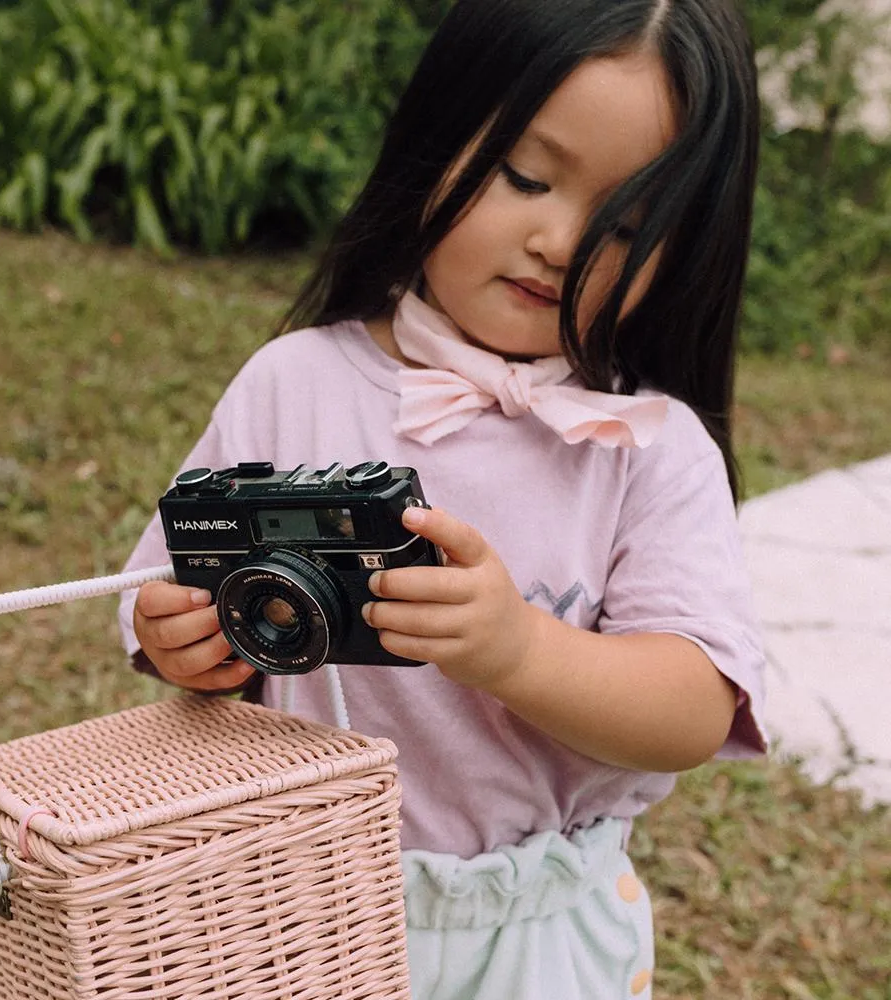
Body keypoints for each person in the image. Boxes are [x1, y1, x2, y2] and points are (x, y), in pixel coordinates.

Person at [118, 0, 768, 996]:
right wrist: (180, 638)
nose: (561, 240)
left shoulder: (647, 447)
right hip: (296, 908)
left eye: (629, 220)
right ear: (437, 138)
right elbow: (166, 587)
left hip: (531, 933)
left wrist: (517, 647)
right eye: (525, 177)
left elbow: (691, 704)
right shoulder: (295, 384)